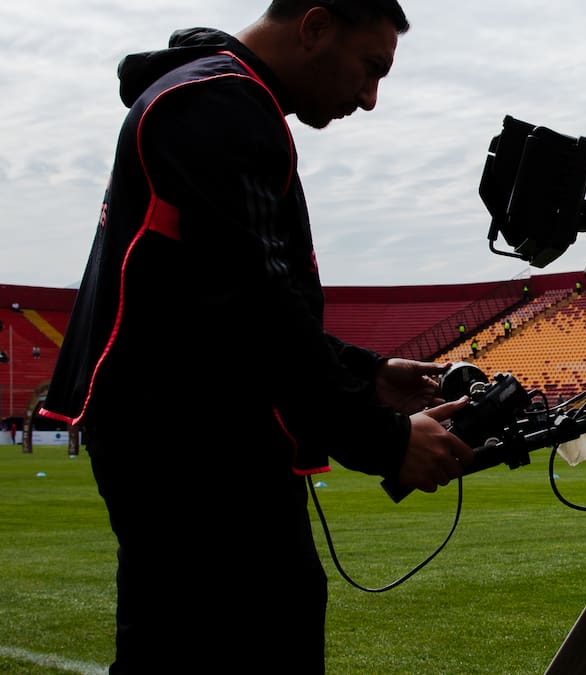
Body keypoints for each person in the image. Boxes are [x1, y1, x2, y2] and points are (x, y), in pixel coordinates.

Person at [37, 3, 475, 672]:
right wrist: (384, 441)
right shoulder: (221, 105)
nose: (370, 97)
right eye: (370, 67)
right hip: (195, 448)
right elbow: (255, 309)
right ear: (315, 27)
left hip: (180, 438)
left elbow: (222, 298)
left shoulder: (210, 96)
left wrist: (368, 373)